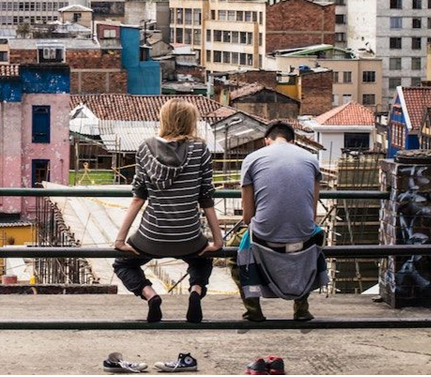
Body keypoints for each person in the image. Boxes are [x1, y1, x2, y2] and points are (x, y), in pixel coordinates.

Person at [112, 99, 223, 323]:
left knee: (122, 263)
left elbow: (138, 198)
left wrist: (120, 239)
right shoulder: (199, 149)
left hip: (151, 235)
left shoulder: (144, 148)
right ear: (190, 122)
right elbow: (206, 198)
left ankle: (150, 295)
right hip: (189, 235)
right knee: (202, 260)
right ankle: (195, 292)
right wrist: (218, 241)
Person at [229, 121, 327, 322]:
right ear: (293, 141)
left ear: (267, 141)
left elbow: (247, 217)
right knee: (315, 240)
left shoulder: (252, 159)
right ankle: (301, 308)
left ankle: (253, 310)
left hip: (264, 239)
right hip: (304, 239)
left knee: (233, 255)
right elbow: (313, 214)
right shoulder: (311, 160)